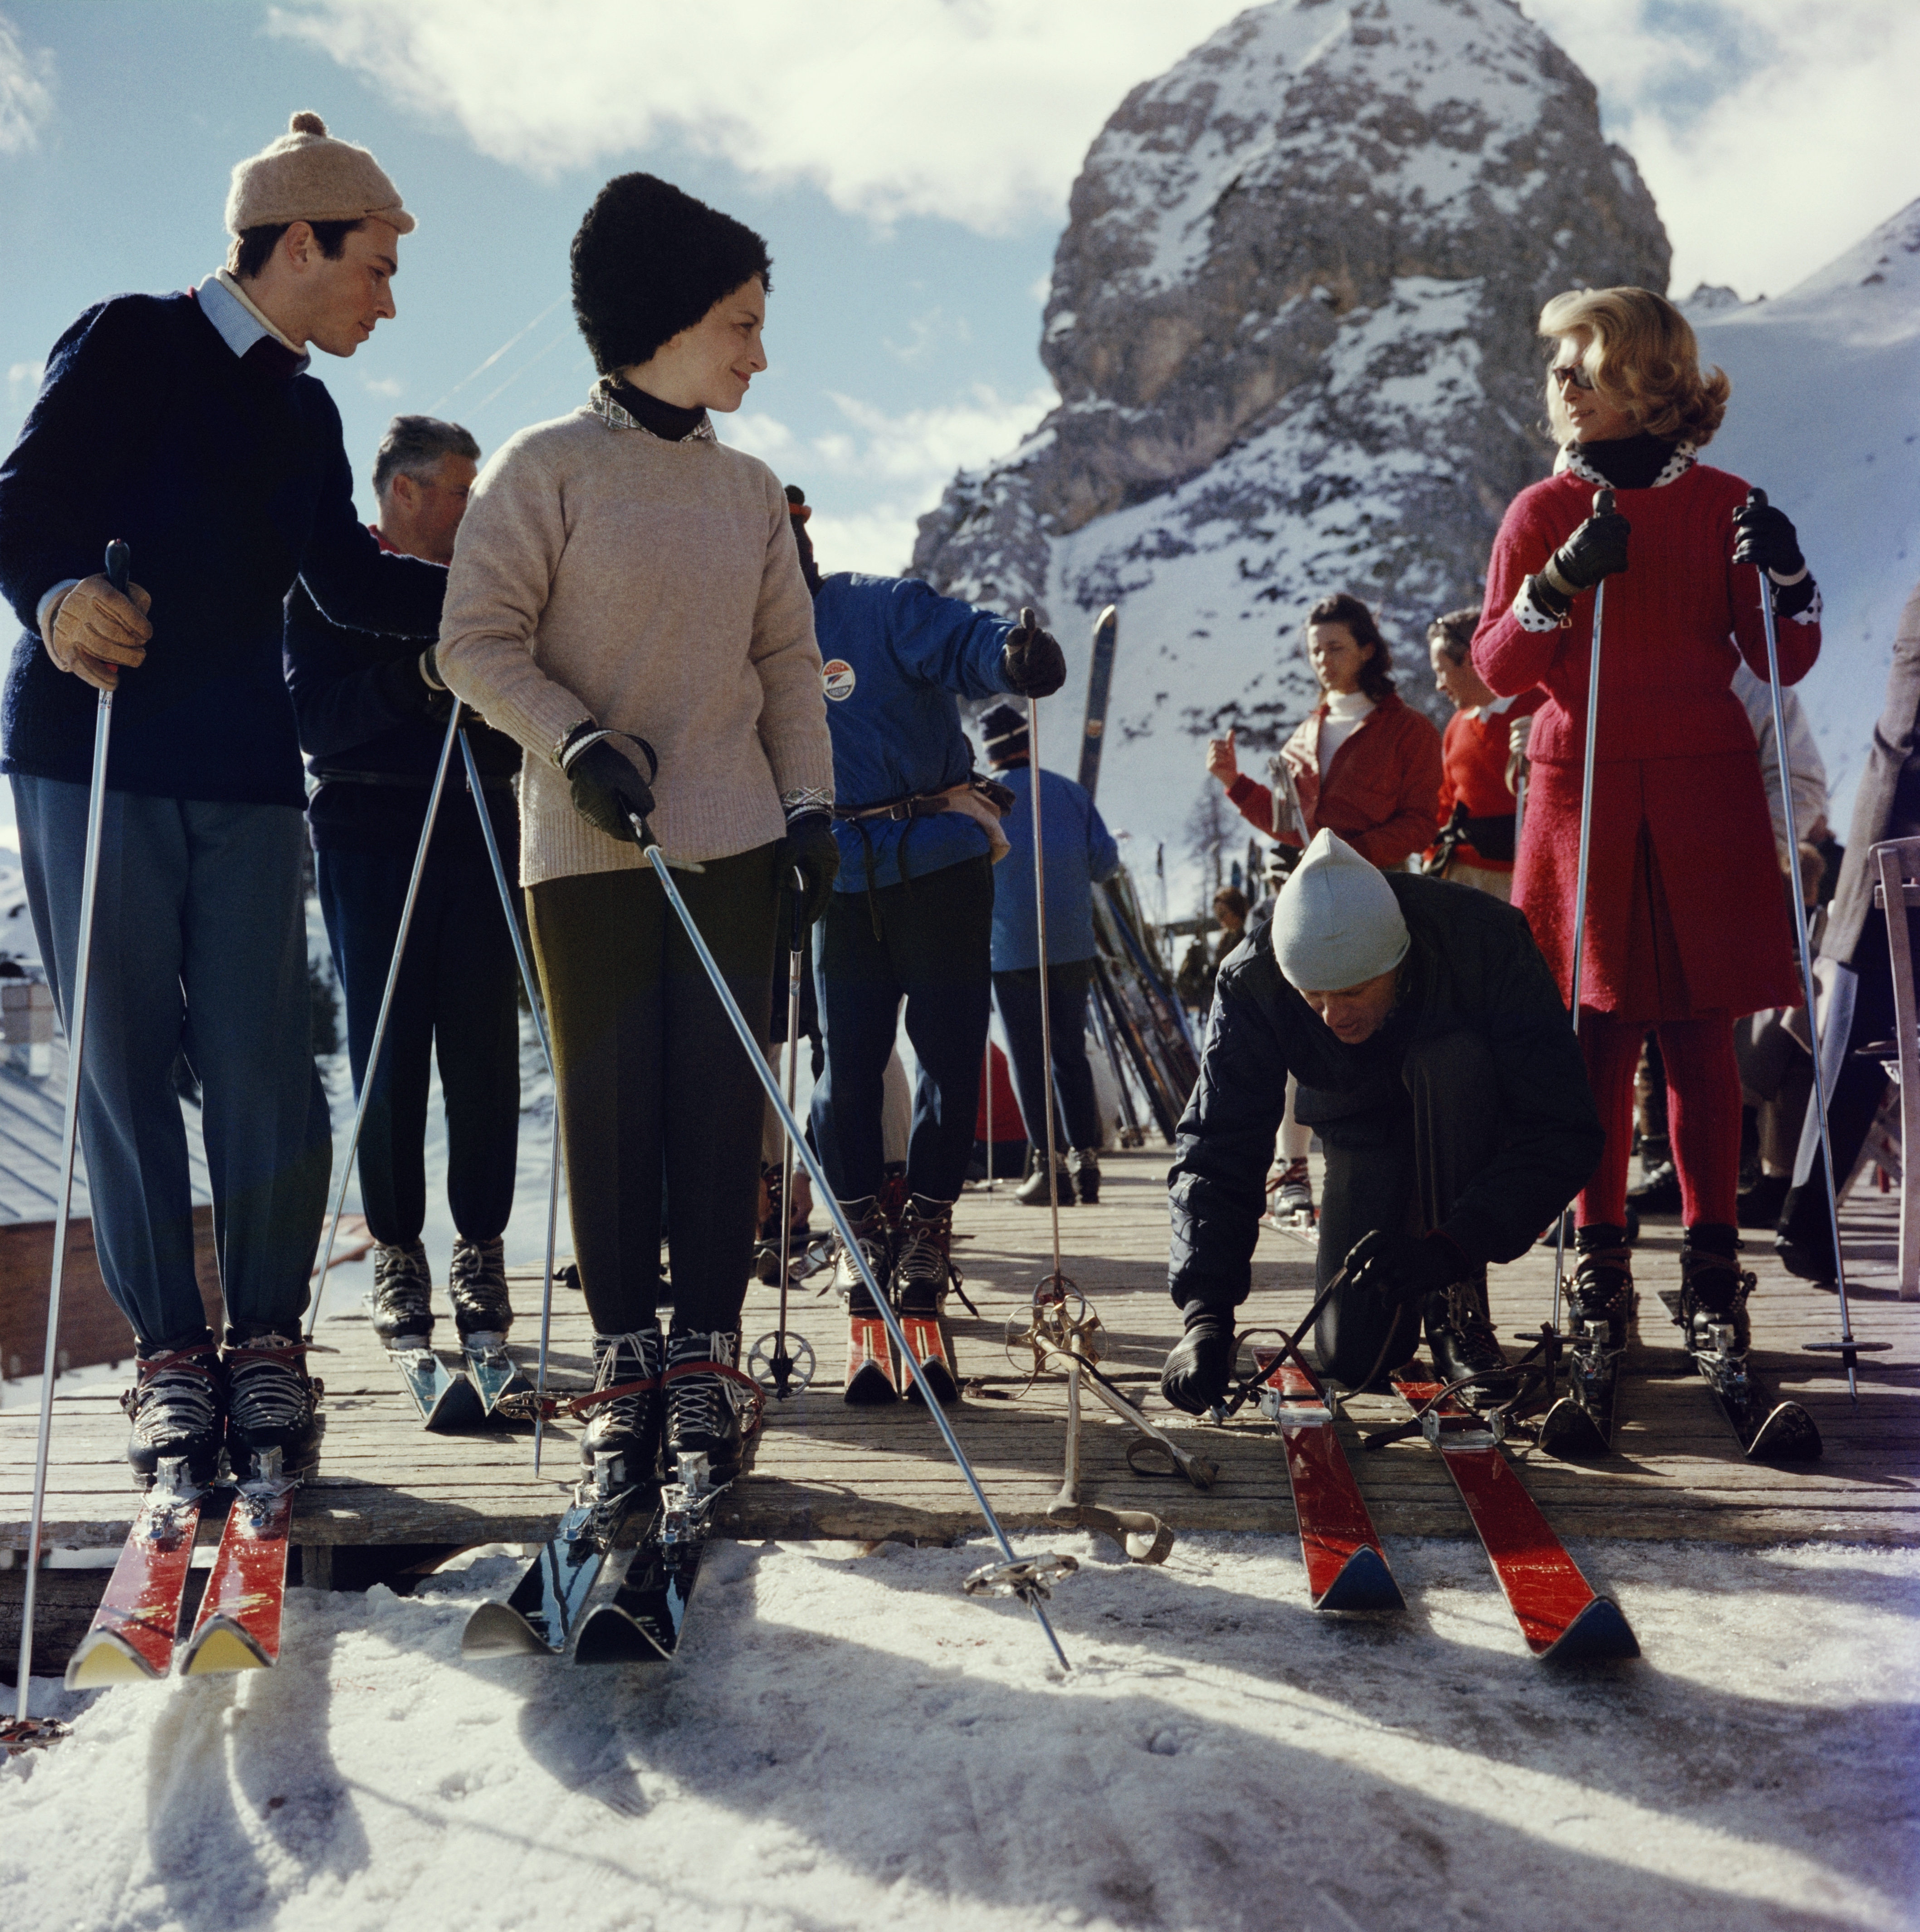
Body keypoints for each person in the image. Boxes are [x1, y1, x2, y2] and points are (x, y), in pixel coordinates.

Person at [0, 112, 445, 1486]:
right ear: (297, 243)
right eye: (372, 266)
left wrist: (497, 601)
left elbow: (351, 583)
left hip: (251, 768)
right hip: (99, 747)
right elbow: (22, 502)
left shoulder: (308, 411)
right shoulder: (131, 338)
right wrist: (62, 595)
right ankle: (172, 1362)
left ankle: (264, 1344)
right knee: (127, 1059)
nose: (387, 297)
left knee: (263, 1059)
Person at [436, 174, 836, 1493]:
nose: (759, 351)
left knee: (717, 1111)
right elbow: (473, 645)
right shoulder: (541, 469)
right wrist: (573, 741)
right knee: (610, 1110)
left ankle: (708, 1366)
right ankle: (623, 1369)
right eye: (740, 321)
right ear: (667, 318)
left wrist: (811, 811)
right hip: (589, 847)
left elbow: (787, 666)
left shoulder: (749, 491)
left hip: (733, 840)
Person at [1471, 285, 1820, 1356]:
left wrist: (1787, 576)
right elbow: (1494, 670)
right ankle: (1597, 1262)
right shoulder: (1537, 512)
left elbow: (1778, 660)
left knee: (1698, 1034)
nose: (1561, 382)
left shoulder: (1725, 501)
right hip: (1581, 788)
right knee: (1593, 1034)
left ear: (1649, 380)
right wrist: (1553, 584)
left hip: (1699, 784)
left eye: (1584, 361)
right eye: (1556, 366)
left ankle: (1711, 1264)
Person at [1159, 832, 1603, 1414]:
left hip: (1464, 1121)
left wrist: (1452, 1247)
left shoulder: (1484, 940)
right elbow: (1217, 1143)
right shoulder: (1253, 981)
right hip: (1359, 1127)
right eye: (1313, 997)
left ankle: (1455, 1303)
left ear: (1398, 960)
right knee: (1352, 1358)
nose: (1333, 1016)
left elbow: (1562, 1123)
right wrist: (1206, 1315)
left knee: (1449, 1060)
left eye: (1353, 992)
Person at [787, 493, 1064, 1353]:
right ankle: (860, 1227)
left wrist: (1011, 654)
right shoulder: (736, 642)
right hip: (837, 874)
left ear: (797, 540)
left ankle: (928, 1228)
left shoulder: (876, 605)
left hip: (938, 866)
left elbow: (964, 640)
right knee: (848, 1066)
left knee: (949, 1055)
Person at [284, 414, 524, 1353]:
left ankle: (481, 1245)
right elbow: (314, 721)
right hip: (367, 832)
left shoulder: (491, 588)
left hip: (478, 826)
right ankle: (396, 1250)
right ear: (407, 491)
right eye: (465, 491)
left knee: (480, 1051)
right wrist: (413, 682)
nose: (479, 509)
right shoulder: (325, 583)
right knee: (386, 1054)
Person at [1774, 577, 1920, 1278]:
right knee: (1856, 1047)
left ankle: (1806, 1221)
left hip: (1894, 859)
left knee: (1855, 1050)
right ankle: (1805, 1222)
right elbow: (1906, 741)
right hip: (1898, 854)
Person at [981, 701, 1121, 1206]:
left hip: (1009, 948)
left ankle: (1049, 1167)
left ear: (991, 754)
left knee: (1028, 1058)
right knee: (1069, 1053)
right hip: (1070, 946)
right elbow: (1105, 865)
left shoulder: (983, 803)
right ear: (1029, 741)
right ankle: (1087, 1161)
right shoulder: (1071, 792)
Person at [1204, 593, 1441, 870]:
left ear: (1367, 650)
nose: (1323, 660)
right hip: (1314, 886)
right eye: (1315, 651)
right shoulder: (1303, 738)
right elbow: (1289, 825)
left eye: (1335, 648)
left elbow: (1420, 824)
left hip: (1383, 885)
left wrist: (1348, 855)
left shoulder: (1410, 730)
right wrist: (1233, 782)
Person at [1424, 606, 1543, 902]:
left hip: (1529, 878)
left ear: (1468, 661)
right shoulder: (1457, 726)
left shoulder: (1542, 710)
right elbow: (1445, 804)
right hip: (1465, 882)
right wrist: (1434, 860)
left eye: (1441, 671)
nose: (1439, 686)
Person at [1174, 887, 1249, 1016]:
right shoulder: (1227, 937)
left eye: (1223, 914)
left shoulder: (1248, 935)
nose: (1221, 920)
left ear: (1236, 910)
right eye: (1217, 915)